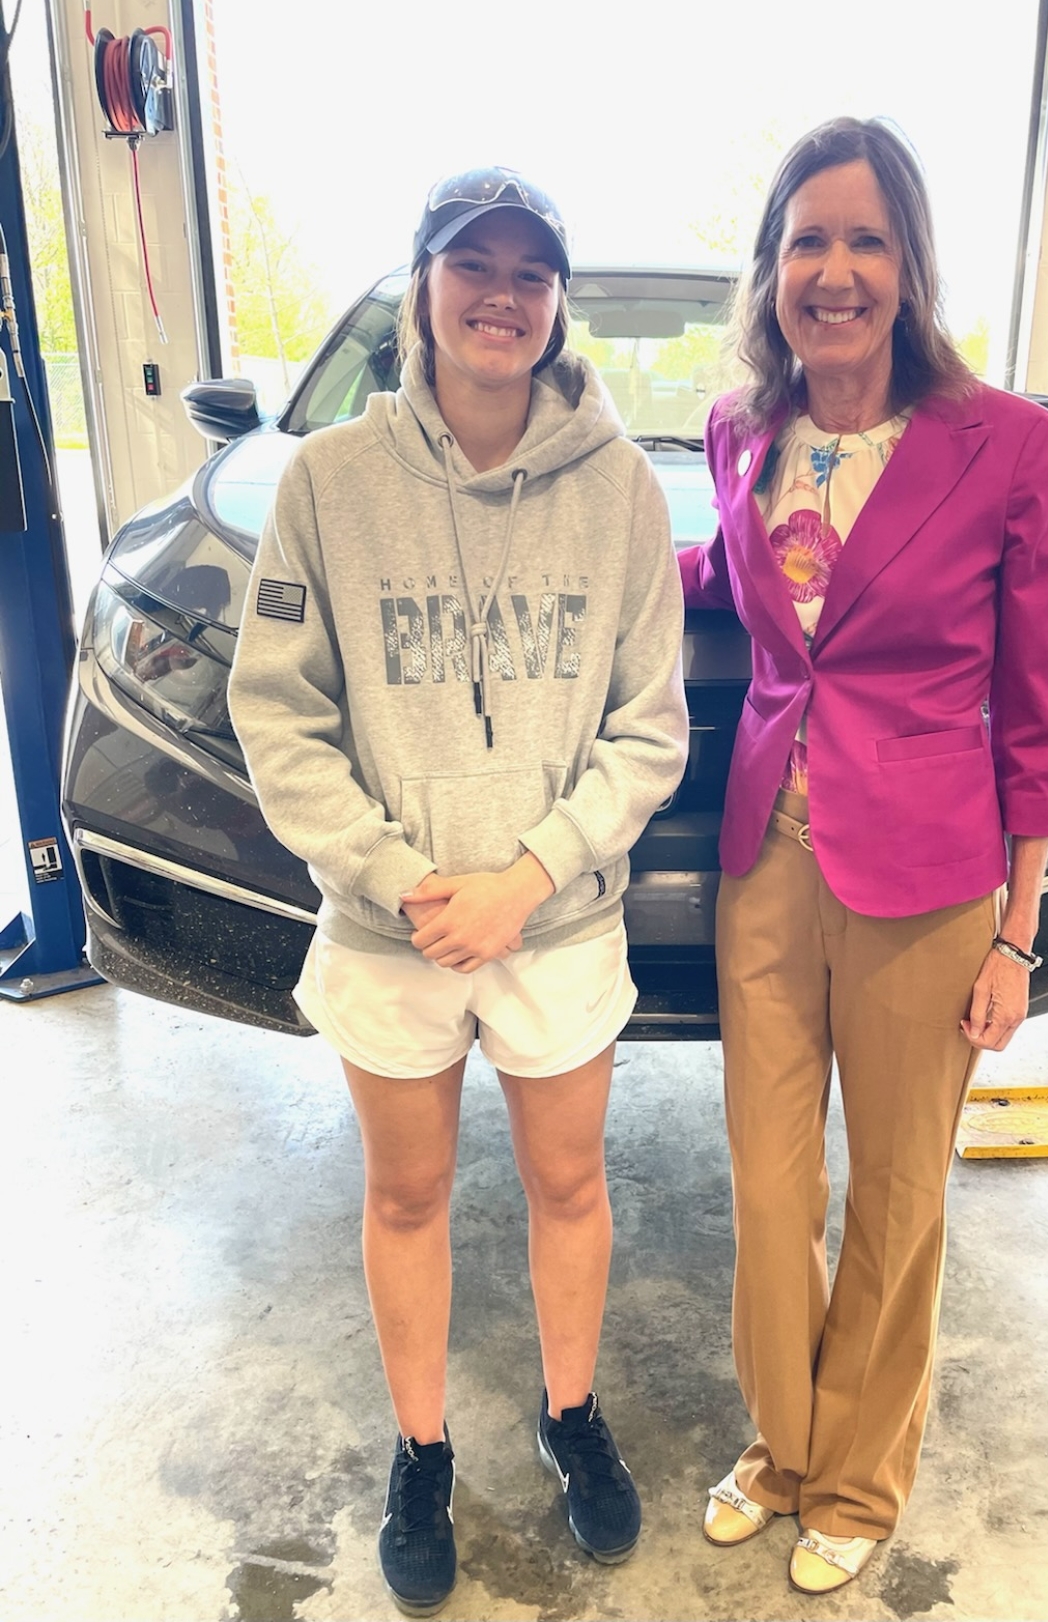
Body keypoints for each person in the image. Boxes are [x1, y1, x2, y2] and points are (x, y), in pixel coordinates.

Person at [228, 168, 688, 1615]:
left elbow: (649, 724)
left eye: (532, 271)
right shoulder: (326, 484)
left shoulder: (619, 488)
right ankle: (422, 1447)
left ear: (559, 305)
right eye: (471, 263)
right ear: (421, 285)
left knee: (568, 1181)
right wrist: (408, 874)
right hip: (393, 924)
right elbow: (279, 717)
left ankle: (568, 1413)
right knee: (407, 1189)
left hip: (555, 921)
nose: (503, 292)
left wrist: (529, 875)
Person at [680, 118, 1048, 1595]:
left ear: (908, 263)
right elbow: (727, 577)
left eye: (863, 240)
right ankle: (781, 1447)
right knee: (770, 1190)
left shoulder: (1009, 445)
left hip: (931, 879)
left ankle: (855, 1476)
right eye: (807, 241)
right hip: (764, 859)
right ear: (772, 268)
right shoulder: (742, 432)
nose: (833, 271)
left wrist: (1018, 933)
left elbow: (1046, 708)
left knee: (898, 1194)